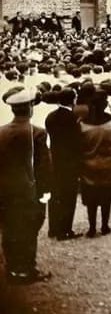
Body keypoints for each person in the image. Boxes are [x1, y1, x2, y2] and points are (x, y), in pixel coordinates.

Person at [0, 87, 53, 284]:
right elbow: (43, 166)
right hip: (28, 191)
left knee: (9, 228)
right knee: (30, 230)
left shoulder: (2, 132)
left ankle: (12, 268)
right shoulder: (37, 132)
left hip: (5, 190)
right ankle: (27, 269)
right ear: (30, 108)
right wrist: (46, 191)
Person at [79, 91, 111, 237]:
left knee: (91, 199)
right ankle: (105, 226)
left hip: (88, 164)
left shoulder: (82, 123)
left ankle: (91, 228)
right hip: (107, 163)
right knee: (106, 198)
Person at [44, 88, 82, 240]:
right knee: (68, 197)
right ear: (72, 99)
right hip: (69, 162)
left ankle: (53, 228)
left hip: (55, 159)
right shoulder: (73, 118)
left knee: (56, 195)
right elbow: (76, 142)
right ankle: (65, 229)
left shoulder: (51, 116)